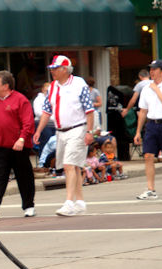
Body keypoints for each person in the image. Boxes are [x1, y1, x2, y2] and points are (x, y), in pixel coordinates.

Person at [33, 55, 95, 217]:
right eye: (52, 69)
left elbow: (89, 110)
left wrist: (89, 131)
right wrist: (38, 130)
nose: (52, 71)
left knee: (68, 165)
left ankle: (69, 202)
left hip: (77, 129)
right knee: (73, 166)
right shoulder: (52, 87)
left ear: (65, 69)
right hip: (61, 131)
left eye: (55, 68)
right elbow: (46, 112)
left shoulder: (79, 84)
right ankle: (80, 201)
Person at [0, 70, 36, 219]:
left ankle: (29, 205)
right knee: (0, 177)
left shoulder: (21, 100)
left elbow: (28, 122)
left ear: (6, 86)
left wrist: (22, 139)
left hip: (19, 146)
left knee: (24, 176)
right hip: (0, 147)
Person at [134, 60, 162, 200]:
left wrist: (156, 89)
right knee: (148, 155)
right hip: (152, 124)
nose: (152, 72)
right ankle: (151, 189)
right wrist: (138, 131)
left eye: (155, 69)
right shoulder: (146, 89)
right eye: (150, 69)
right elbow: (143, 110)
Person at [33, 82, 55, 152]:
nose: (47, 93)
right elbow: (38, 112)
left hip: (54, 125)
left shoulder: (54, 99)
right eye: (46, 91)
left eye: (49, 91)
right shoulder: (38, 99)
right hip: (41, 124)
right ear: (42, 90)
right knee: (46, 143)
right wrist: (51, 117)